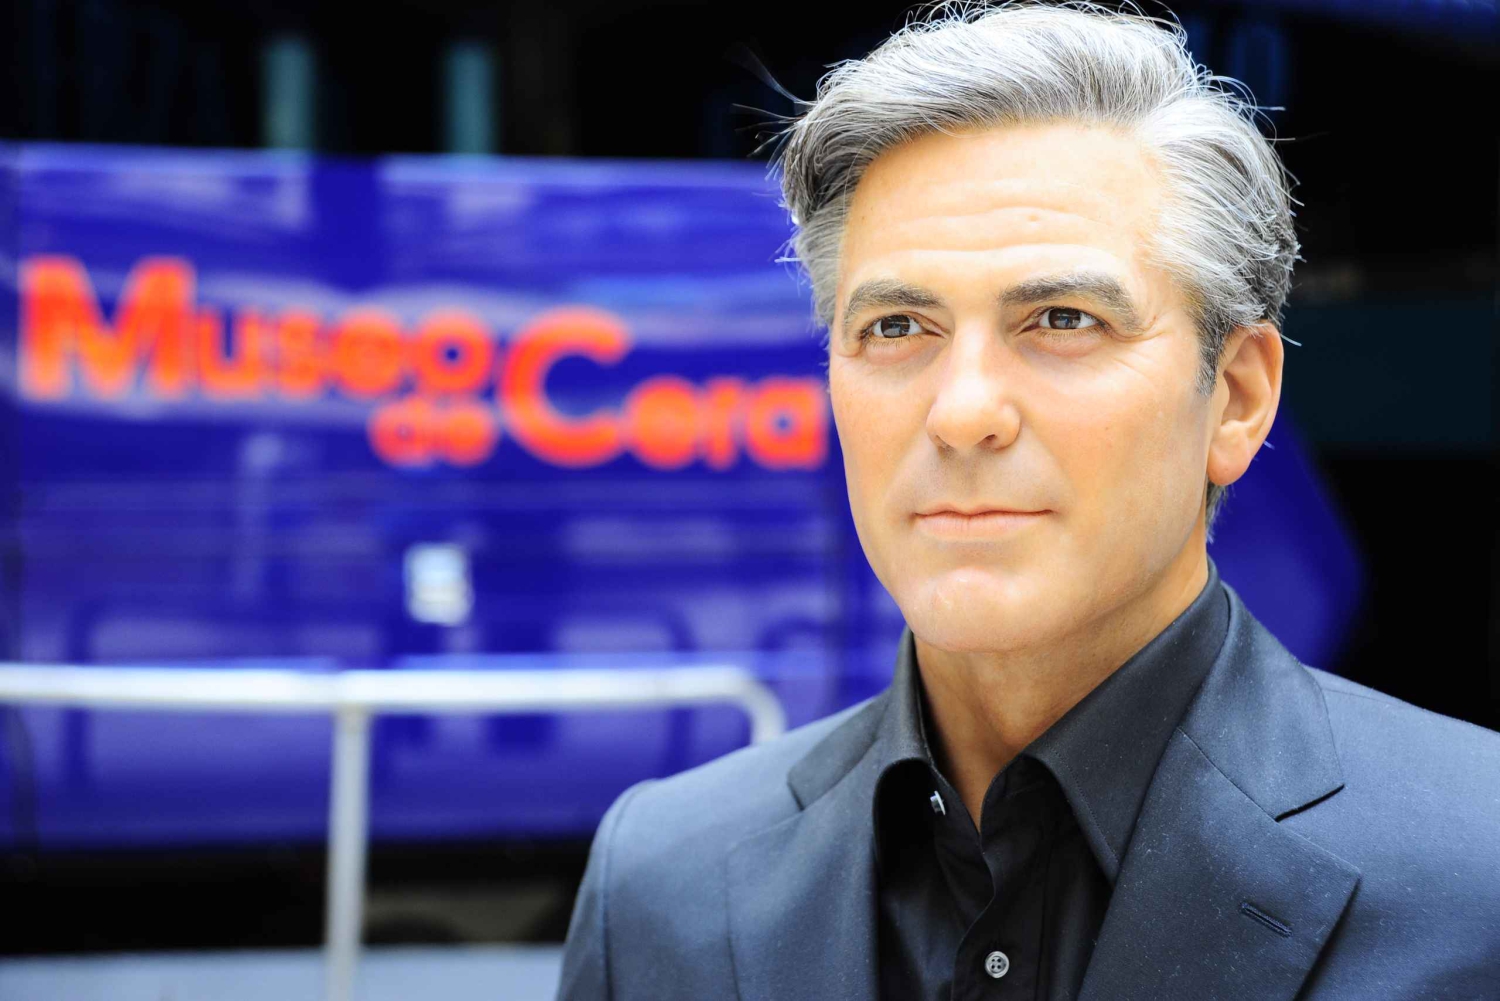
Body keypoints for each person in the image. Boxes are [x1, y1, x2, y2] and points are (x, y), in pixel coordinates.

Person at [555, 4, 1500, 999]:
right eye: (896, 326)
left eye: (1062, 318)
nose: (963, 412)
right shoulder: (660, 888)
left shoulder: (1475, 875)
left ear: (1236, 396)